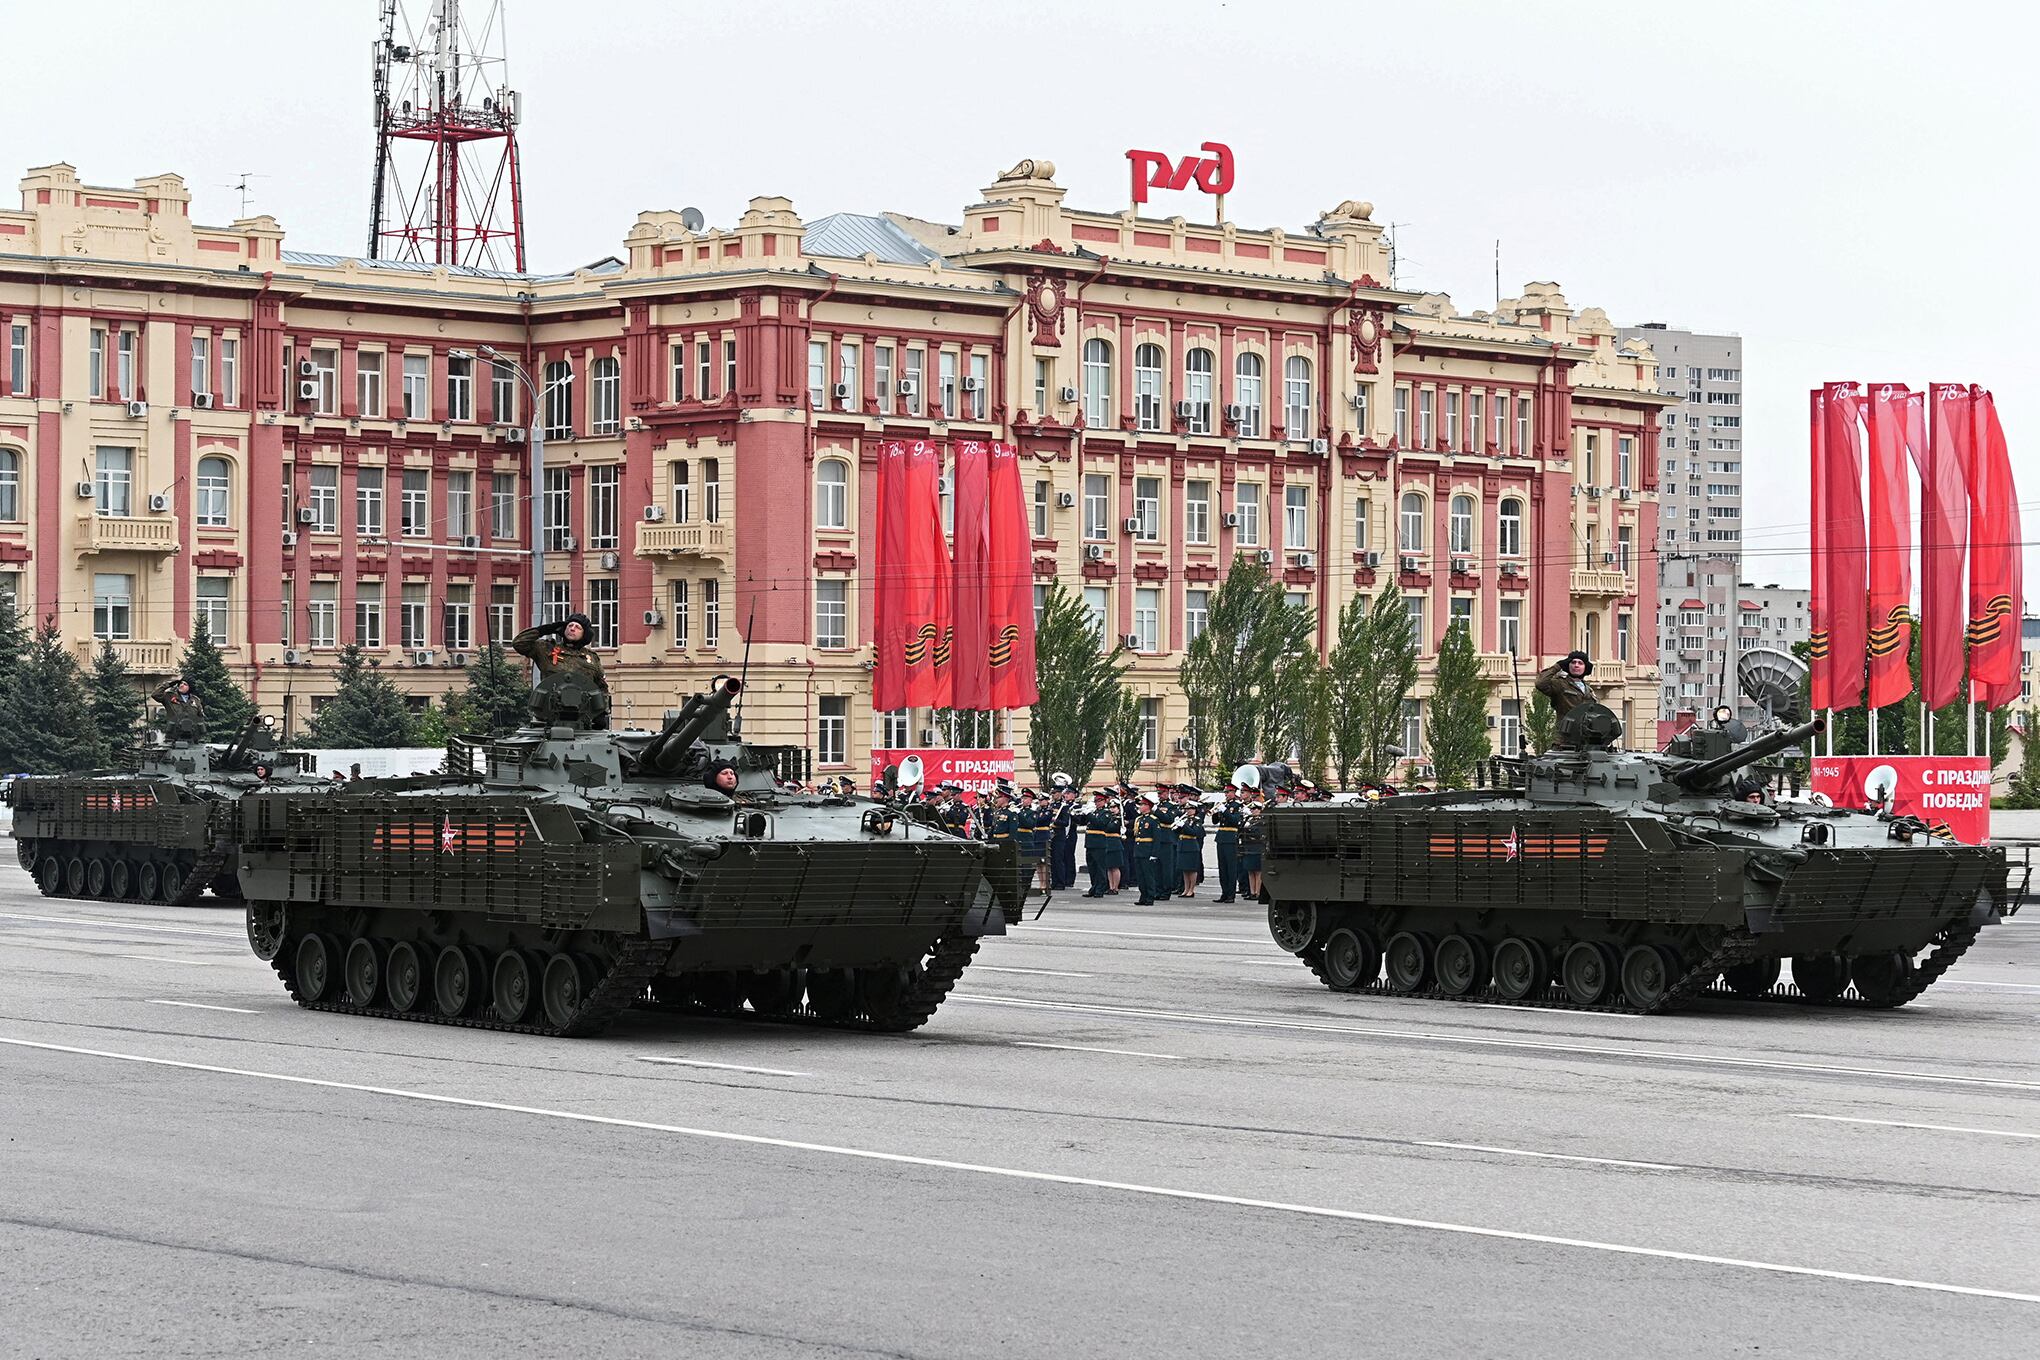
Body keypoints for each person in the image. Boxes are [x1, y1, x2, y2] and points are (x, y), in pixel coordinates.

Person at [512, 613, 610, 727]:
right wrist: (544, 630)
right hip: (549, 717)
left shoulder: (592, 658)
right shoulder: (547, 649)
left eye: (578, 627)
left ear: (585, 634)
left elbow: (601, 687)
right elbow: (518, 643)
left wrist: (600, 713)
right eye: (569, 625)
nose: (572, 628)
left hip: (582, 719)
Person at [1535, 650, 1598, 724]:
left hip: (1585, 733)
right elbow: (1540, 683)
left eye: (1580, 663)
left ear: (1585, 667)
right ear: (1568, 665)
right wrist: (1558, 666)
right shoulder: (1560, 684)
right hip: (1564, 732)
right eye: (1573, 662)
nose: (1576, 665)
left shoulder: (1589, 690)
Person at [1081, 790, 1123, 898]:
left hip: (1099, 843)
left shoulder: (1106, 813)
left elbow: (1100, 824)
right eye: (1095, 801)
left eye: (1099, 800)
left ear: (1104, 801)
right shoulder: (1095, 812)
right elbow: (1082, 822)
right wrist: (1077, 813)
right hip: (1090, 843)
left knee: (1100, 868)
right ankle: (1094, 887)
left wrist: (1089, 814)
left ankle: (1100, 889)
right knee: (1092, 868)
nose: (1096, 803)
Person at [1210, 785, 1243, 902]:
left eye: (1229, 792)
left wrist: (1225, 811)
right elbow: (1215, 821)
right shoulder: (1225, 805)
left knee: (1231, 868)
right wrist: (1216, 811)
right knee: (1222, 868)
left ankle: (1231, 895)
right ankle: (1224, 893)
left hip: (1230, 838)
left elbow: (1235, 821)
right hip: (1221, 838)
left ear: (1234, 792)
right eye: (1225, 792)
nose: (1226, 794)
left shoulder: (1237, 806)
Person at [1131, 794, 1162, 905]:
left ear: (1148, 806)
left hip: (1147, 851)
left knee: (1148, 876)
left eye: (1143, 804)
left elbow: (1157, 839)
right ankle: (1143, 896)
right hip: (1139, 851)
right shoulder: (1139, 819)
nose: (1140, 806)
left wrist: (1154, 854)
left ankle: (1150, 897)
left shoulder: (1153, 820)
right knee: (1140, 876)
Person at [1049, 785, 1080, 891]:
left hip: (1066, 834)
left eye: (1055, 793)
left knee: (1065, 857)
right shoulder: (1052, 805)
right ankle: (1055, 881)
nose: (1053, 795)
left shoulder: (1066, 806)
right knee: (1054, 859)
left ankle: (1066, 880)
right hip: (1054, 835)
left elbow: (1067, 822)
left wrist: (1055, 821)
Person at [1176, 792, 1206, 899]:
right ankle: (1186, 888)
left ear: (1195, 810)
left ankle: (1191, 890)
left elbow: (1194, 832)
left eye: (1190, 809)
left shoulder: (1197, 821)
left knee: (1192, 869)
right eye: (1186, 809)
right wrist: (1177, 827)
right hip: (1183, 845)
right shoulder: (1185, 819)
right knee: (1185, 869)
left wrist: (1183, 826)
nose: (1187, 811)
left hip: (1192, 846)